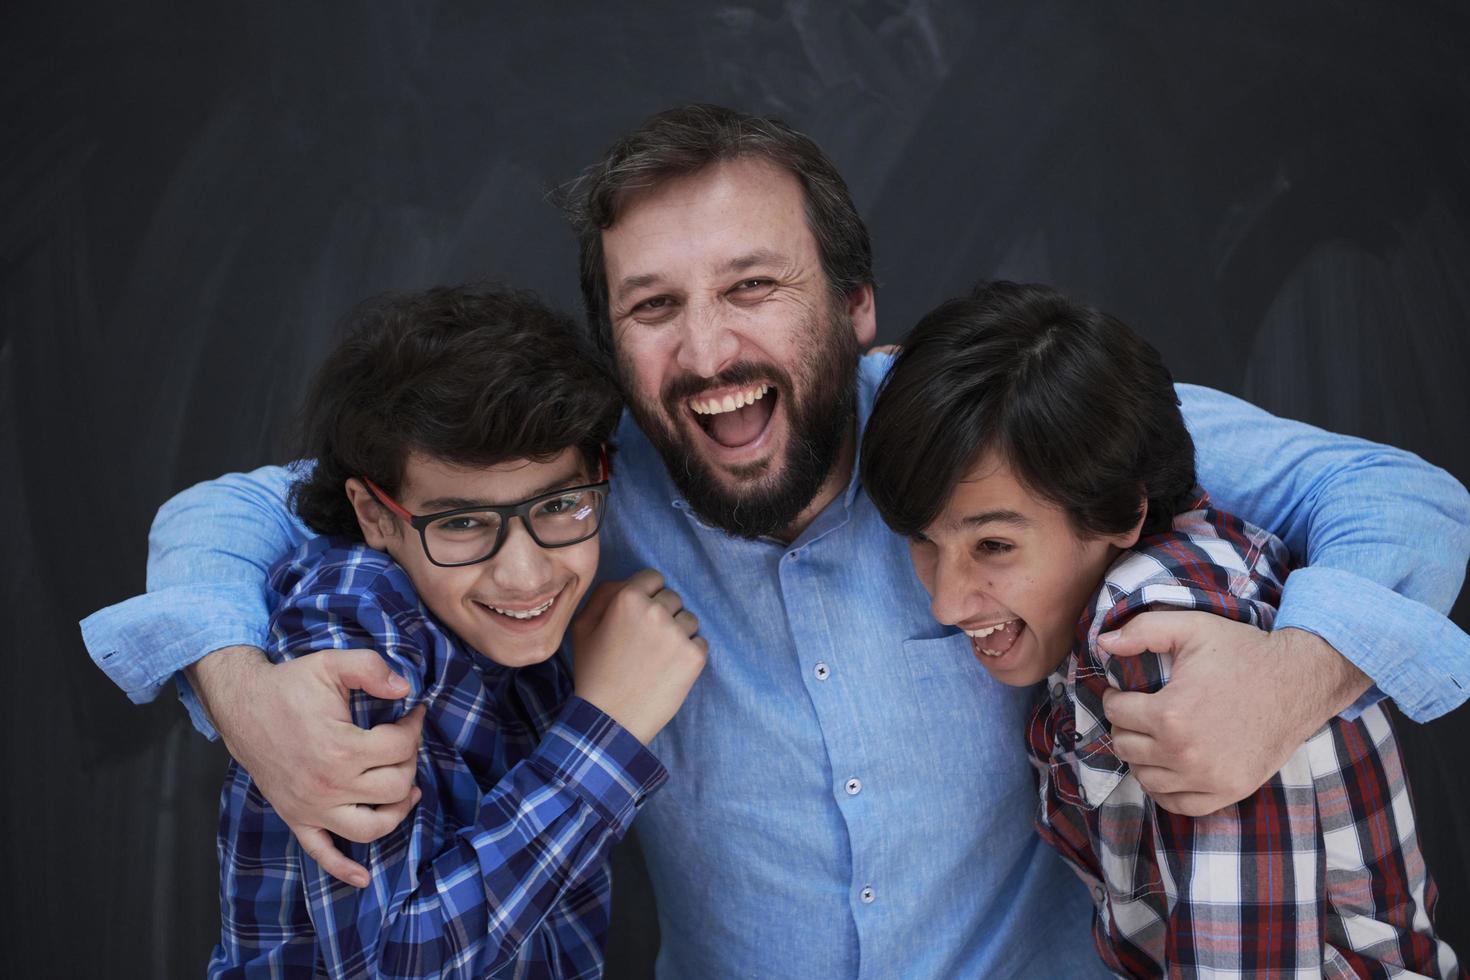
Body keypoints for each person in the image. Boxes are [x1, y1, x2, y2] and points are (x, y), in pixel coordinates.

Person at [81, 106, 1470, 978]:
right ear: (610, 342)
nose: (708, 352)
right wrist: (232, 682)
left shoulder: (993, 426)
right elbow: (240, 509)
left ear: (856, 306)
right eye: (654, 308)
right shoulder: (566, 507)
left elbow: (1395, 493)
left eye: (752, 288)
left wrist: (1292, 677)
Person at [860, 280, 1460, 977]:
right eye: (923, 542)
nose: (946, 603)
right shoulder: (1092, 584)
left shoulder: (1160, 640)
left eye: (993, 546)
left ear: (1121, 514)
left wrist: (1293, 676)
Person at [208, 284, 707, 977]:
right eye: (464, 523)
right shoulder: (352, 619)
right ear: (377, 516)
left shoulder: (513, 624)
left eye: (560, 503)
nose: (526, 574)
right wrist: (606, 730)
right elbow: (398, 964)